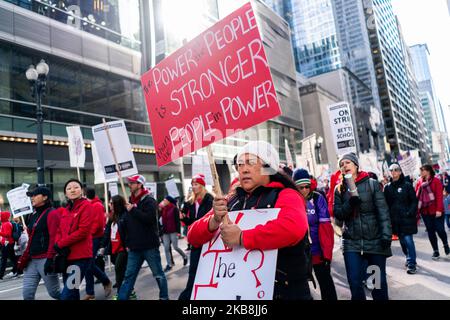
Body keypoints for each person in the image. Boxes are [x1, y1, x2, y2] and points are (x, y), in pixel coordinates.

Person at [188, 141, 312, 300]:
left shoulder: (286, 195)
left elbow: (293, 228)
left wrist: (242, 237)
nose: (244, 169)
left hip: (285, 292)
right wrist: (213, 221)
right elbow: (192, 236)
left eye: (251, 163)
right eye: (240, 164)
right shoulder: (230, 200)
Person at [333, 152, 392, 300]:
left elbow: (383, 212)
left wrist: (386, 235)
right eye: (341, 164)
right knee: (355, 283)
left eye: (347, 162)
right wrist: (350, 204)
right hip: (351, 243)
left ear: (356, 165)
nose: (344, 166)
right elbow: (338, 215)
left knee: (377, 284)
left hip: (375, 242)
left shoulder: (372, 184)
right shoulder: (339, 189)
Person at [118, 174, 168, 300]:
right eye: (129, 183)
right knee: (128, 277)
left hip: (149, 246)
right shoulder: (129, 201)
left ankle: (164, 298)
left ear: (139, 184)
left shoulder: (149, 200)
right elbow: (127, 224)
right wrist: (127, 243)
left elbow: (150, 219)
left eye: (132, 183)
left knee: (158, 275)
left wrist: (133, 210)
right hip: (134, 248)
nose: (129, 185)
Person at [293, 168, 337, 300]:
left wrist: (327, 254)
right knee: (299, 289)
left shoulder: (317, 198)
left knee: (326, 284)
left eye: (307, 186)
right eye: (301, 187)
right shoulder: (291, 200)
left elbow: (326, 228)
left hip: (318, 251)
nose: (305, 190)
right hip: (299, 253)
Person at [18, 186, 61, 300]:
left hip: (45, 258)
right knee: (27, 294)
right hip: (32, 260)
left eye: (35, 195)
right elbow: (32, 237)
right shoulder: (32, 215)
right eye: (31, 196)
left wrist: (50, 258)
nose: (32, 198)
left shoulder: (52, 213)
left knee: (55, 293)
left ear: (45, 197)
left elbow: (54, 238)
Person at [55, 179, 93, 300]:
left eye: (76, 187)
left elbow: (83, 231)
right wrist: (57, 243)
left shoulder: (86, 205)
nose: (72, 190)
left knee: (67, 294)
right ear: (65, 193)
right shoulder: (66, 209)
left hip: (80, 258)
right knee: (73, 293)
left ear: (81, 190)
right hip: (67, 257)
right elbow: (59, 230)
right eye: (69, 188)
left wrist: (61, 243)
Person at [178, 173, 214, 300]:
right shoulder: (191, 202)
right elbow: (193, 222)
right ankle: (189, 295)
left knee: (207, 270)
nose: (193, 186)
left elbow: (209, 220)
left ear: (202, 186)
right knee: (193, 270)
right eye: (192, 184)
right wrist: (185, 219)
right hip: (196, 240)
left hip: (208, 240)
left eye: (196, 184)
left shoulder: (210, 199)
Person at [384, 164, 418, 274]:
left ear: (400, 172)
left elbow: (414, 201)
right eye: (391, 170)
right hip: (395, 220)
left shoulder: (407, 185)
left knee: (408, 240)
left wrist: (410, 212)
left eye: (396, 170)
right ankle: (409, 256)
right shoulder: (387, 187)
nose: (393, 172)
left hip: (407, 219)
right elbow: (385, 204)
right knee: (403, 242)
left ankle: (411, 263)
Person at [83, 187, 112, 300]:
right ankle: (90, 292)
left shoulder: (97, 205)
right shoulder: (88, 205)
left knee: (88, 264)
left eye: (83, 194)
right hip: (88, 238)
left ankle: (104, 281)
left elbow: (98, 224)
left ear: (86, 195)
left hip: (94, 238)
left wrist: (87, 234)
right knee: (87, 264)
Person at [415, 164, 449, 259]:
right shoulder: (419, 182)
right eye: (420, 170)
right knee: (430, 231)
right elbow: (417, 196)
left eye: (423, 170)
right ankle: (435, 251)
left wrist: (439, 210)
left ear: (428, 171)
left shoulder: (436, 181)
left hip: (437, 211)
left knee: (440, 230)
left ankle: (445, 244)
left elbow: (439, 196)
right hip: (425, 212)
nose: (421, 172)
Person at [100, 195, 128, 300]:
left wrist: (129, 245)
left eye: (111, 203)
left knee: (118, 269)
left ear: (117, 204)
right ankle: (130, 291)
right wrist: (103, 246)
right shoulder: (112, 216)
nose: (109, 205)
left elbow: (129, 232)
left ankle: (120, 293)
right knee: (123, 271)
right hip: (113, 248)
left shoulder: (125, 215)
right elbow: (107, 232)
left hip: (123, 248)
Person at [159, 196, 188, 272]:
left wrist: (178, 232)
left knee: (175, 247)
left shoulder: (174, 208)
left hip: (173, 230)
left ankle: (184, 256)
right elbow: (160, 219)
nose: (163, 201)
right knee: (166, 248)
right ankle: (169, 264)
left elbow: (177, 221)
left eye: (165, 200)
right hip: (165, 232)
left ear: (169, 201)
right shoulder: (163, 209)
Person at [0, 211, 18, 279]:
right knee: (12, 258)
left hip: (7, 243)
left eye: (0, 216)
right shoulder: (5, 223)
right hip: (7, 243)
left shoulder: (6, 224)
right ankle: (17, 270)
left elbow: (8, 235)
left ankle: (1, 274)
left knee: (4, 259)